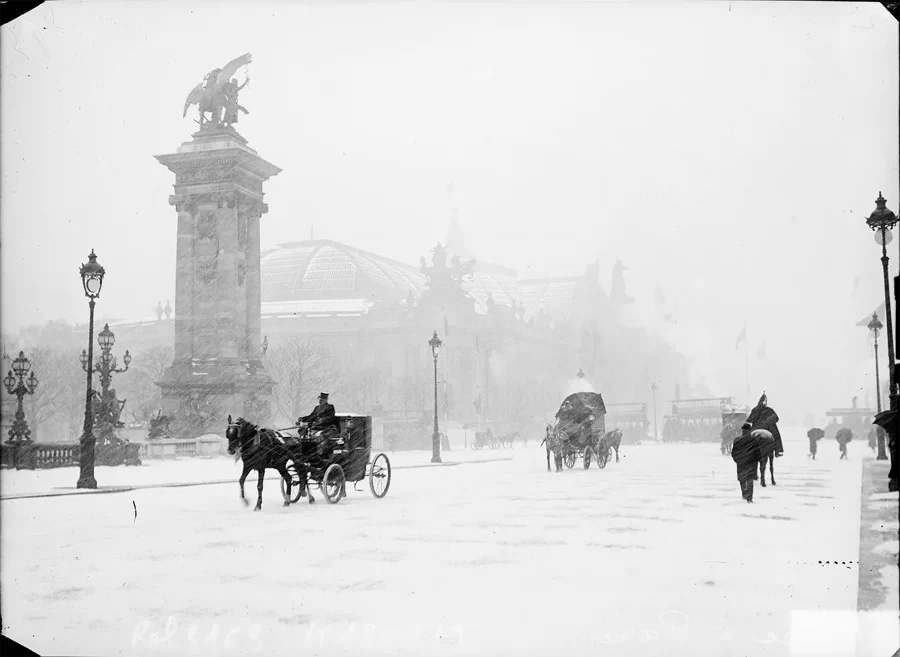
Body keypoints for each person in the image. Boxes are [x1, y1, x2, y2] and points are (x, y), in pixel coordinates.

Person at [732, 422, 761, 503]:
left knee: (742, 479)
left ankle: (744, 494)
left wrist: (738, 460)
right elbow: (758, 453)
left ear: (742, 430)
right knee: (750, 480)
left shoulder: (737, 440)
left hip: (741, 463)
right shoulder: (754, 440)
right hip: (751, 463)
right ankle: (749, 497)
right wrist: (757, 460)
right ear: (749, 430)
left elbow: (734, 453)